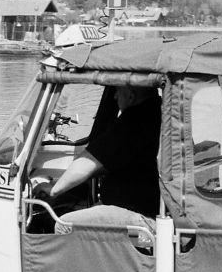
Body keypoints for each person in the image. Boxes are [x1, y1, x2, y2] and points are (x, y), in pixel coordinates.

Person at [48, 85, 161, 233]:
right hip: (145, 209)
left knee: (64, 225)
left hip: (141, 216)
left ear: (130, 95)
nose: (115, 96)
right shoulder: (155, 114)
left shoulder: (134, 119)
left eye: (117, 90)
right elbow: (111, 160)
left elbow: (88, 162)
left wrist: (52, 189)